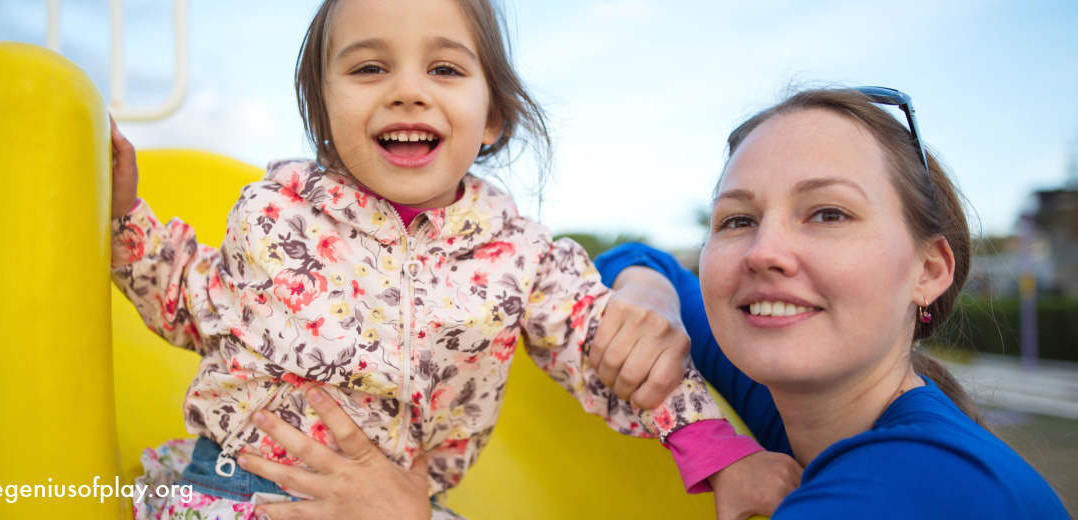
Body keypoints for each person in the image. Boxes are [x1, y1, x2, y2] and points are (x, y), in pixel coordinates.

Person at [108, 0, 800, 518]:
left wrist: (721, 455)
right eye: (370, 67)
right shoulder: (273, 214)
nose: (408, 90)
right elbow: (189, 301)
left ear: (492, 116)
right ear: (322, 110)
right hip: (231, 491)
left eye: (443, 68)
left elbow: (612, 350)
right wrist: (121, 216)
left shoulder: (521, 259)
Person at [592, 87, 1070, 518]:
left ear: (928, 270)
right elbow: (638, 259)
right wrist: (648, 298)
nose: (763, 252)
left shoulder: (912, 483)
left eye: (828, 213)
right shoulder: (799, 405)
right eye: (737, 220)